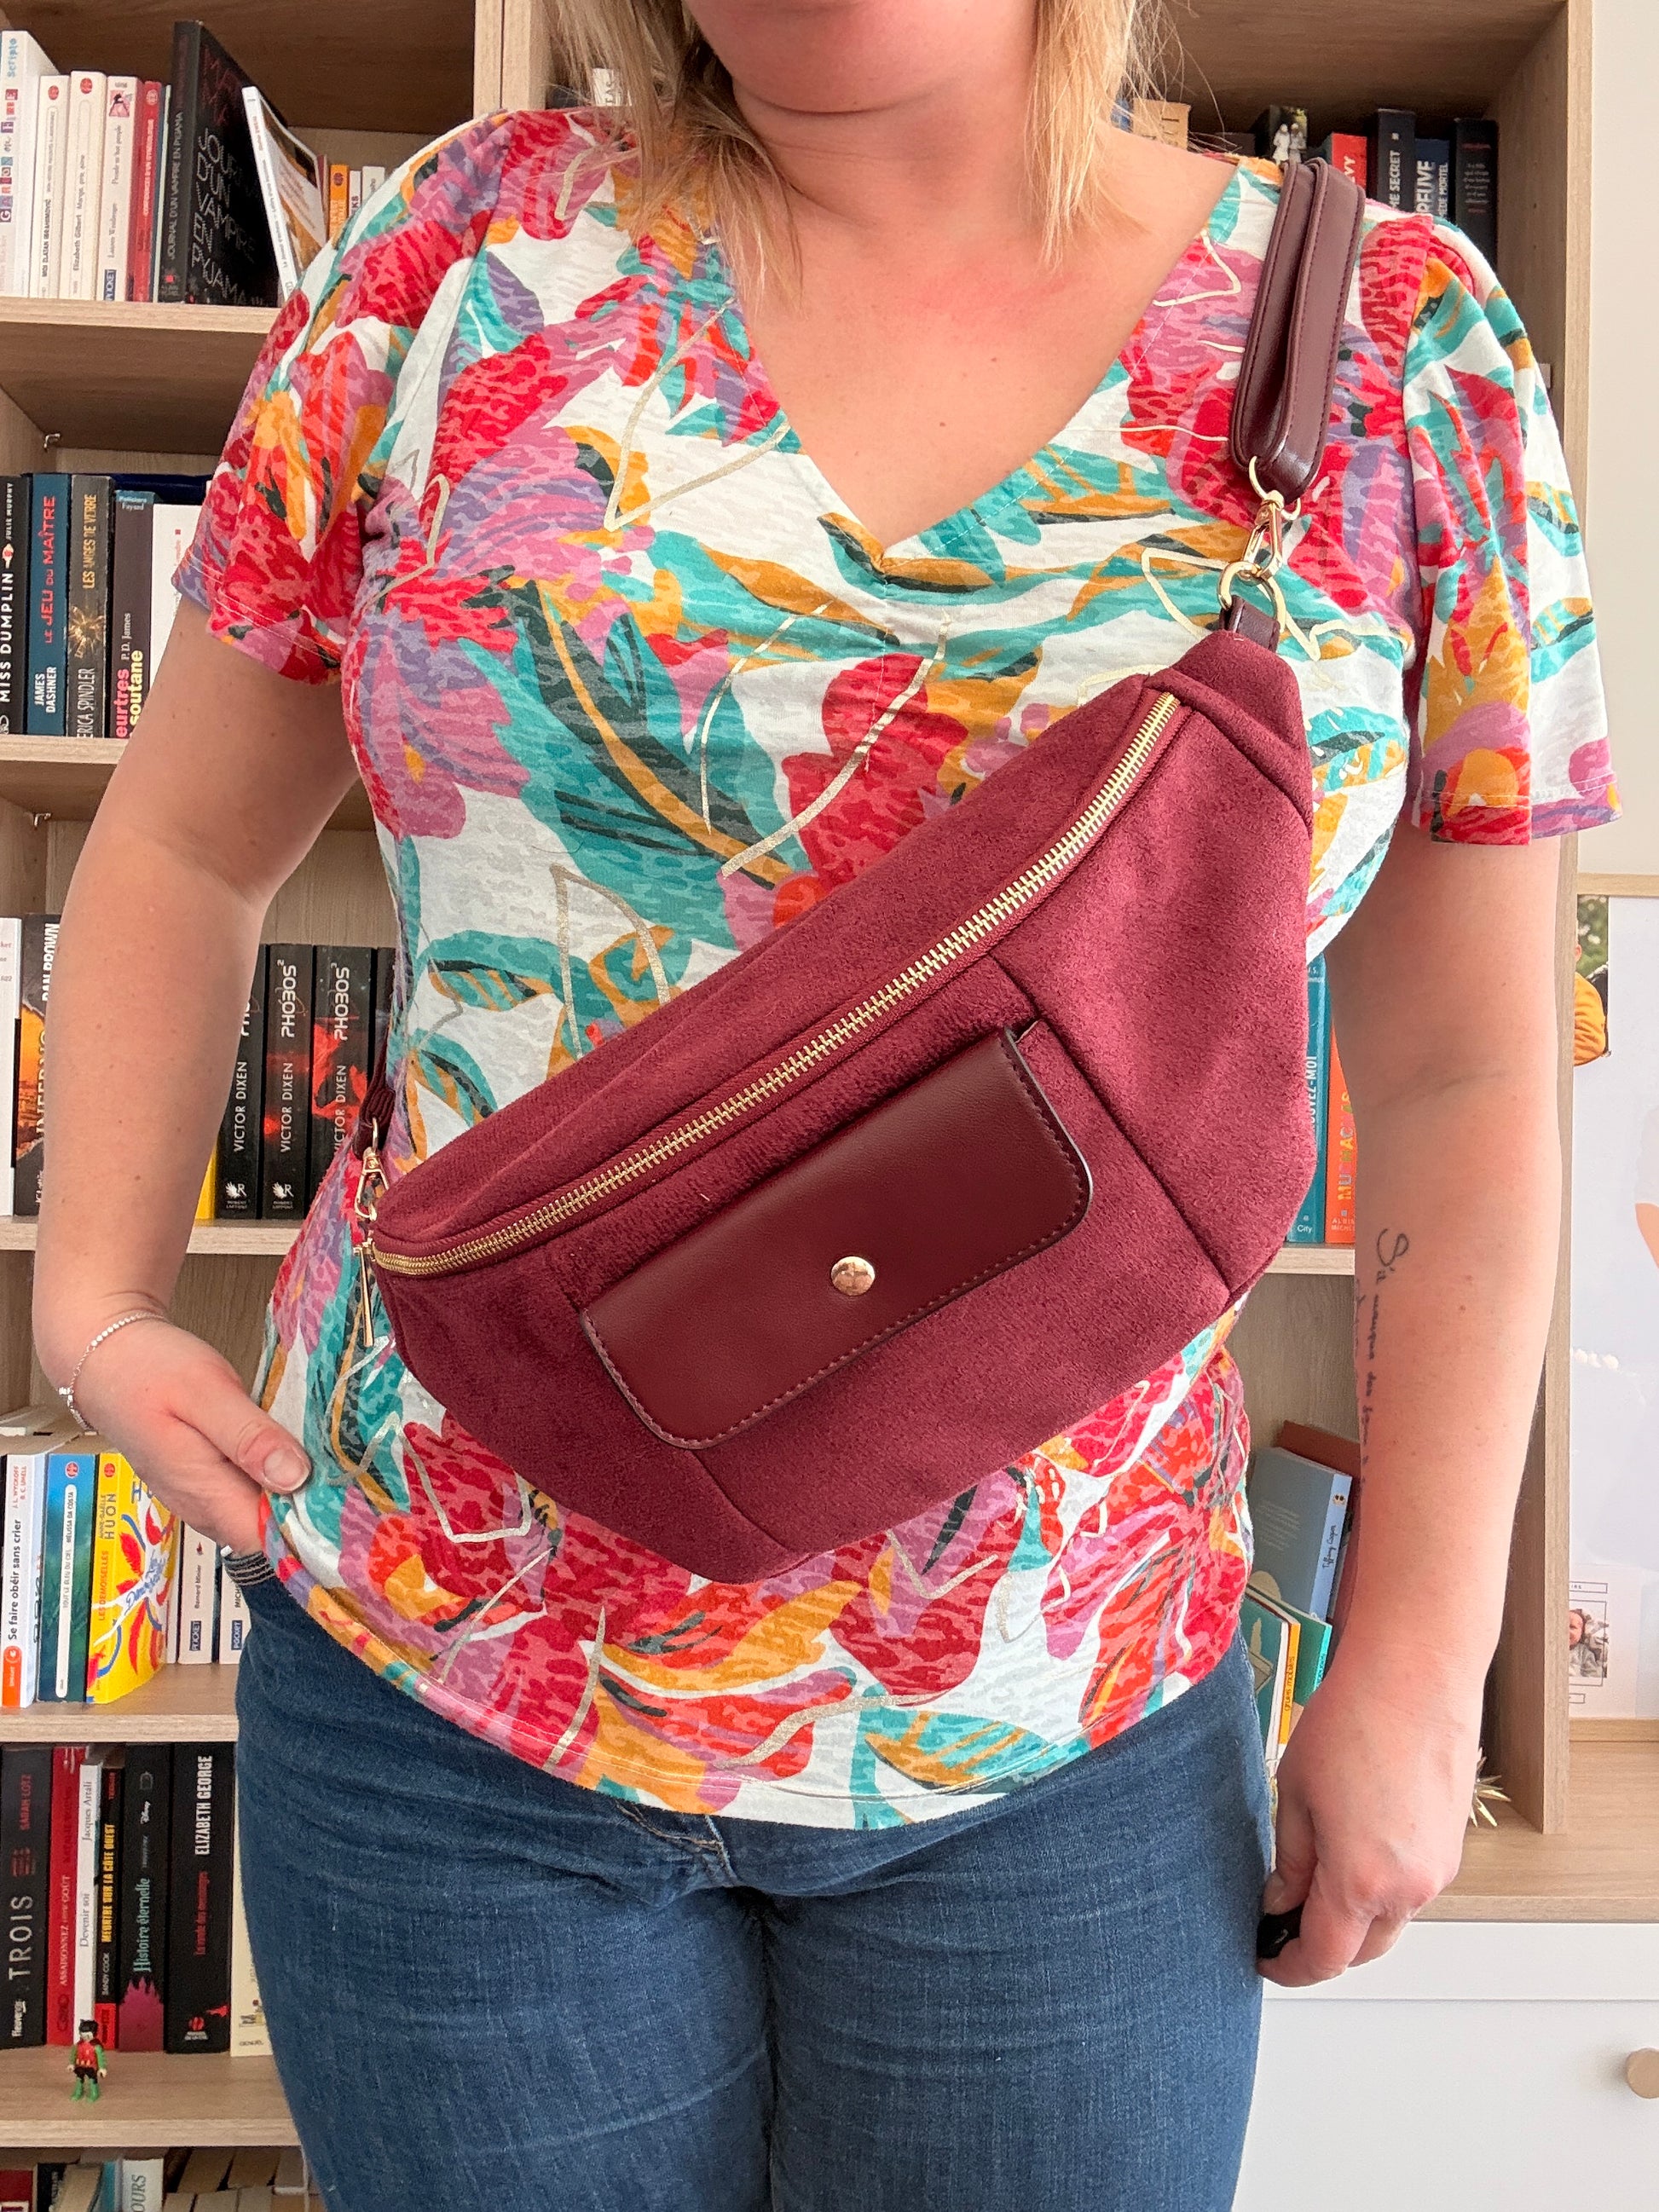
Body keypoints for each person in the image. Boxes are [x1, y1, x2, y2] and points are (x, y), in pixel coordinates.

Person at [32, 3, 1616, 2207]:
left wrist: (1424, 1665)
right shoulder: (448, 257)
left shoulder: (1396, 347)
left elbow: (1459, 1074)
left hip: (1066, 1712)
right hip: (447, 1674)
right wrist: (95, 1300)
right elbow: (187, 844)